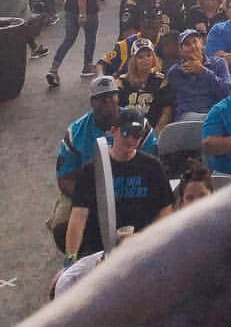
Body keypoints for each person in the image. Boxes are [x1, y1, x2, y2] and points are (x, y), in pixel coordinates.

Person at [63, 108, 172, 262]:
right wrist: (71, 257)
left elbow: (166, 208)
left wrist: (146, 237)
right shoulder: (91, 171)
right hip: (99, 249)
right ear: (113, 131)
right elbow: (79, 215)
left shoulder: (153, 167)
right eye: (126, 133)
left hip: (142, 246)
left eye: (137, 135)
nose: (131, 140)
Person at [165, 28, 231, 117]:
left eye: (195, 42)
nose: (193, 47)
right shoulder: (175, 72)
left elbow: (227, 92)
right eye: (187, 44)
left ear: (202, 44)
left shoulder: (219, 63)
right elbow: (173, 103)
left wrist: (203, 71)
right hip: (187, 118)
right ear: (181, 50)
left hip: (215, 114)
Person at [117, 38, 175, 129]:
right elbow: (116, 110)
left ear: (154, 57)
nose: (145, 59)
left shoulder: (161, 81)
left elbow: (167, 111)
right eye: (140, 57)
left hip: (152, 130)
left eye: (149, 55)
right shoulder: (122, 82)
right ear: (133, 60)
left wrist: (157, 133)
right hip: (126, 130)